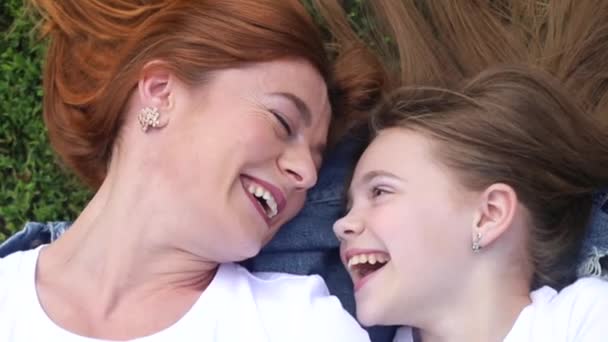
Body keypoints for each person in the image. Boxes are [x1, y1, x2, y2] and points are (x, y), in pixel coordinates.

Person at [0, 0, 385, 341]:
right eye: (282, 122)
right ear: (162, 92)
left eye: (316, 160)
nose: (307, 175)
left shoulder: (304, 326)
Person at [335, 65, 608, 342]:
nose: (341, 224)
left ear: (489, 215)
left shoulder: (585, 319)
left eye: (380, 191)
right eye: (348, 207)